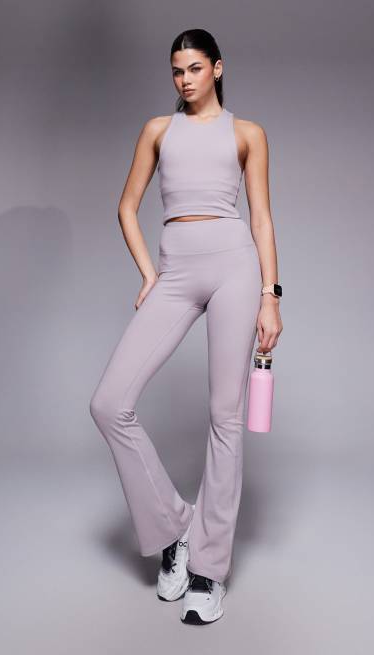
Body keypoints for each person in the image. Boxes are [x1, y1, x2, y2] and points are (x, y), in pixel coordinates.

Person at [89, 28, 283, 625]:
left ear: (217, 68)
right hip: (175, 270)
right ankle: (175, 530)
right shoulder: (158, 130)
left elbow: (261, 218)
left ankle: (208, 569)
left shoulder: (248, 134)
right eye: (177, 70)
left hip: (234, 268)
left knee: (226, 416)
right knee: (109, 403)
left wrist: (270, 297)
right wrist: (150, 274)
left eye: (195, 68)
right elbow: (126, 206)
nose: (185, 79)